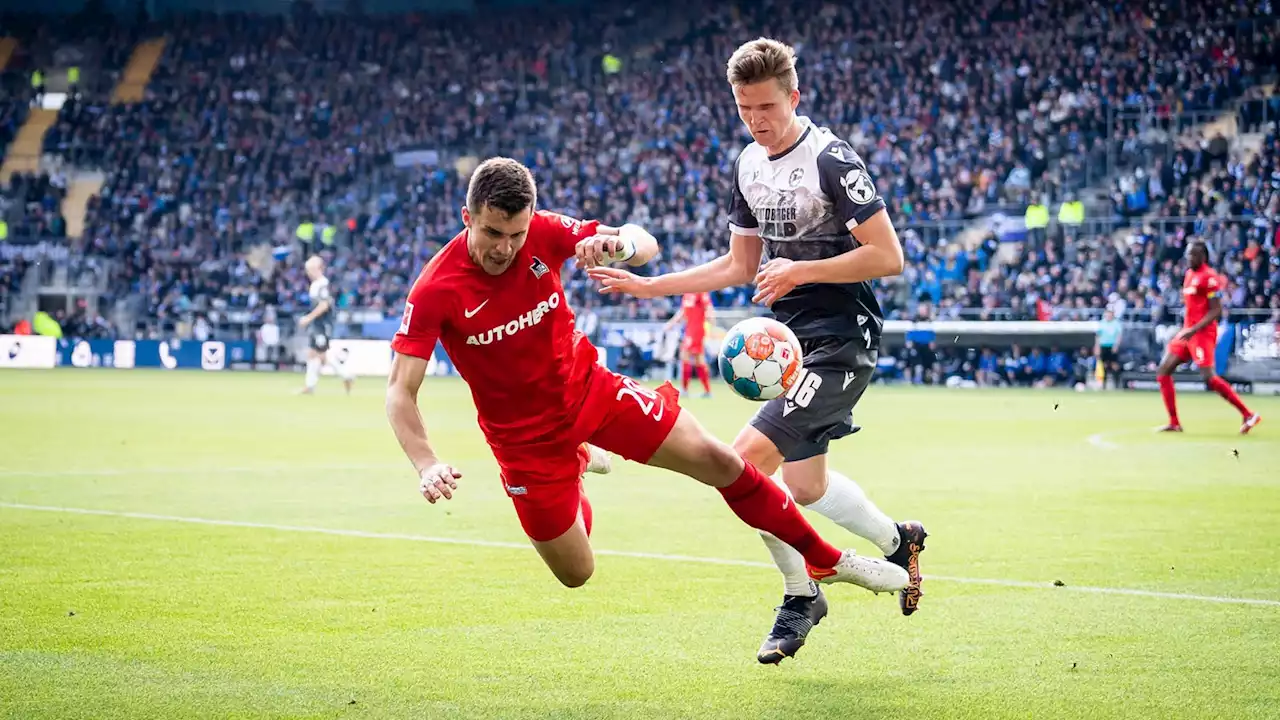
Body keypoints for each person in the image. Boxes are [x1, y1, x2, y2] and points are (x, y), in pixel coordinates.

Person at [386, 157, 908, 603]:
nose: (505, 248)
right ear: (467, 218)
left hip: (593, 391)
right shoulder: (436, 290)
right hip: (525, 442)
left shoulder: (545, 232)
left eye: (516, 235)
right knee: (576, 573)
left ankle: (822, 559)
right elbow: (400, 391)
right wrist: (426, 462)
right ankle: (575, 460)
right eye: (492, 234)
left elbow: (644, 243)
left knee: (722, 461)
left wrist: (620, 245)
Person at [588, 38, 927, 664]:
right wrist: (652, 285)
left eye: (767, 107)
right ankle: (898, 539)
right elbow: (741, 264)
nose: (756, 121)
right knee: (807, 485)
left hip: (842, 338)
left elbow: (888, 256)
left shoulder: (832, 160)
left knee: (742, 462)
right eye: (744, 108)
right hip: (793, 343)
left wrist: (797, 271)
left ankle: (801, 594)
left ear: (794, 97)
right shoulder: (747, 164)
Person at [1156, 241, 1261, 434]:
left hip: (1202, 333)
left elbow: (1216, 310)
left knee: (1209, 378)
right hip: (1187, 332)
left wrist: (1194, 328)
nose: (1189, 259)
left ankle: (1248, 414)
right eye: (1188, 255)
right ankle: (1174, 422)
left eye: (1193, 255)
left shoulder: (1210, 277)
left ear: (1203, 256)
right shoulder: (1189, 275)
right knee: (1163, 371)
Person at [297, 255, 355, 395]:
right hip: (317, 324)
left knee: (321, 356)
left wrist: (308, 318)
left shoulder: (322, 284)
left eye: (311, 269)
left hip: (322, 325)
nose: (309, 272)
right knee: (313, 354)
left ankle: (347, 375)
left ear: (319, 268)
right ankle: (310, 386)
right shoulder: (316, 284)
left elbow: (324, 305)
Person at [664, 292, 715, 397]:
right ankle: (706, 391)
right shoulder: (687, 293)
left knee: (686, 356)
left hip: (697, 331)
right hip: (689, 330)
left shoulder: (701, 292)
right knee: (698, 360)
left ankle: (685, 389)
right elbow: (683, 311)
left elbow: (708, 307)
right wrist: (671, 323)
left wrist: (711, 320)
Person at [1094, 308, 1123, 389]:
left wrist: (1116, 345)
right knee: (1104, 365)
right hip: (1103, 346)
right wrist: (1097, 347)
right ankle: (1104, 385)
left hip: (1112, 346)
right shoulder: (1102, 323)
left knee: (1114, 365)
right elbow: (1098, 336)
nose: (1108, 316)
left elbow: (1119, 336)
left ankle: (1117, 384)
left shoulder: (1116, 323)